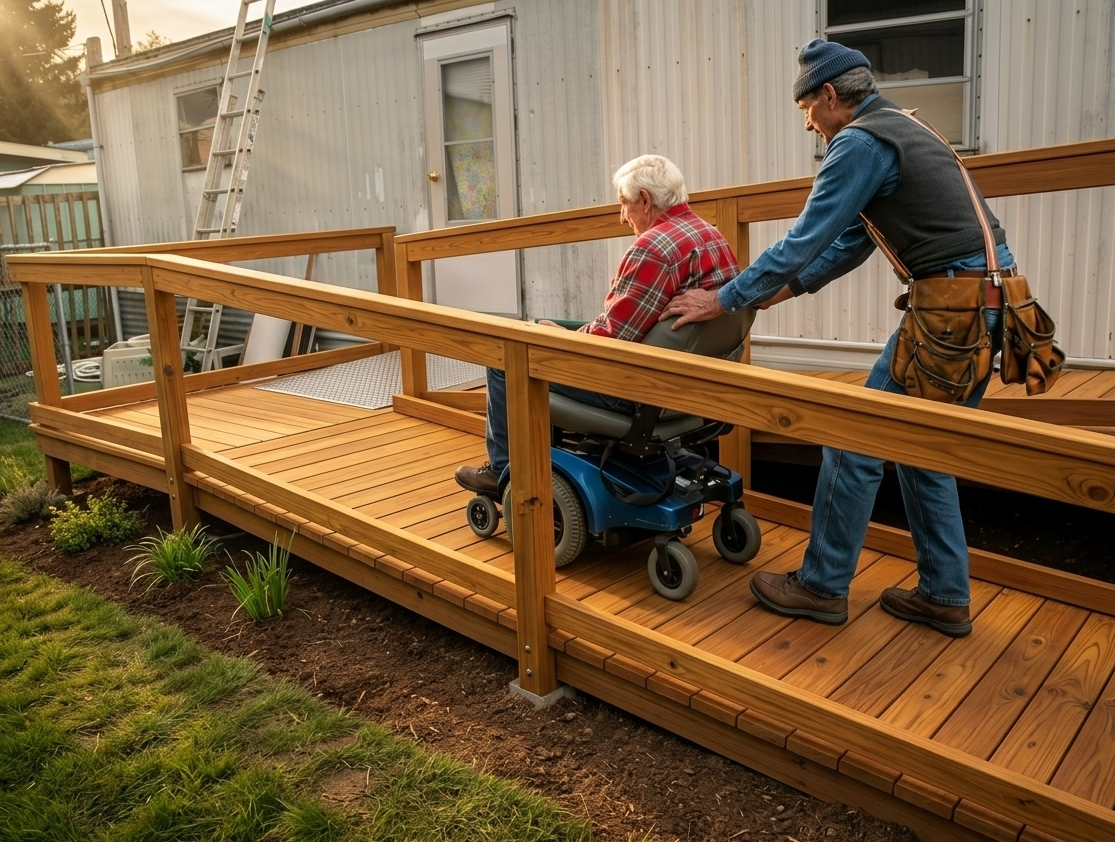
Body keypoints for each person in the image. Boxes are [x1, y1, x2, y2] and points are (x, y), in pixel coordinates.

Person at [660, 39, 1017, 638]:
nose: (808, 124)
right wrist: (782, 291)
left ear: (829, 95)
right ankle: (945, 595)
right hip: (992, 302)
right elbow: (854, 240)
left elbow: (805, 237)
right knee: (920, 450)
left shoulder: (858, 141)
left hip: (950, 312)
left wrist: (724, 298)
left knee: (854, 440)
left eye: (806, 110)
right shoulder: (904, 125)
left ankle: (821, 587)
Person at [455, 154, 740, 495]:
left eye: (624, 204)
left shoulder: (653, 248)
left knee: (504, 356)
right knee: (541, 331)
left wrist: (559, 338)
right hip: (692, 388)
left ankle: (503, 473)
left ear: (645, 200)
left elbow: (610, 339)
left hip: (633, 394)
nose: (622, 217)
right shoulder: (711, 235)